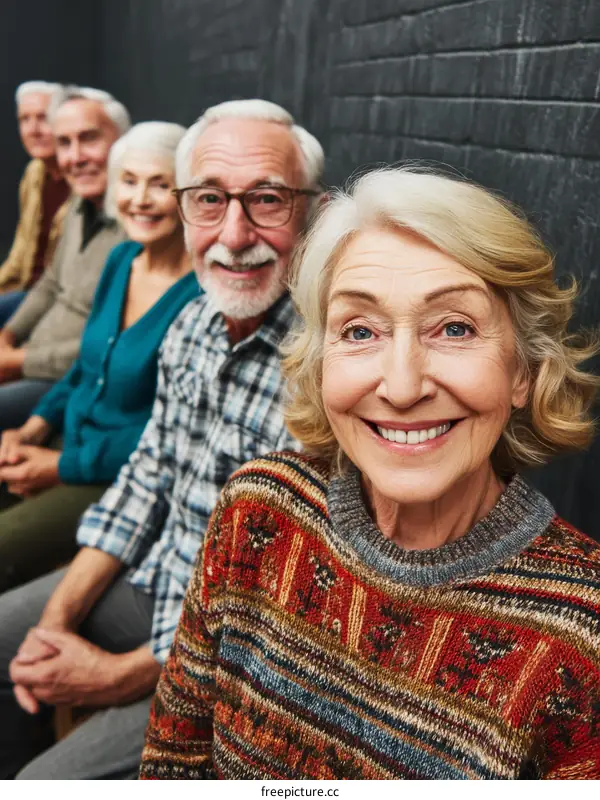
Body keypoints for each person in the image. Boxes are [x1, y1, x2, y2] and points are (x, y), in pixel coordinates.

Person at [140, 167, 600, 780]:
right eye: (360, 330)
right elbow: (174, 764)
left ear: (523, 371)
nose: (403, 387)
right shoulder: (261, 509)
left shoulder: (583, 639)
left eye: (455, 328)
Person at [0, 99, 325, 780]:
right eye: (209, 200)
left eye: (266, 199)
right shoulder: (194, 324)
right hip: (152, 579)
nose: (234, 235)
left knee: (40, 787)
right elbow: (147, 478)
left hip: (231, 654)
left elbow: (277, 603)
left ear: (312, 212)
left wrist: (114, 677)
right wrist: (58, 621)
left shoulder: (324, 368)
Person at [0, 121, 199, 593]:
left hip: (116, 475)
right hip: (68, 442)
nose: (141, 199)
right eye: (129, 181)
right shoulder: (123, 258)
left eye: (159, 184)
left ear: (189, 193)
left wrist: (60, 467)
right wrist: (32, 426)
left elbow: (169, 431)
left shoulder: (200, 292)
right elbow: (84, 369)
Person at [0, 85, 130, 429]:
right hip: (33, 352)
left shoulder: (141, 223)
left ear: (123, 141)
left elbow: (115, 344)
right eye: (64, 143)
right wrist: (8, 335)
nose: (74, 157)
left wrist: (16, 361)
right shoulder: (77, 203)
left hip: (64, 378)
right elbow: (50, 281)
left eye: (88, 138)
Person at [0, 82, 71, 325]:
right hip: (25, 290)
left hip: (55, 301)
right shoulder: (34, 173)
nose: (33, 130)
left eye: (42, 118)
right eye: (24, 119)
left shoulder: (83, 179)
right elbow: (20, 251)